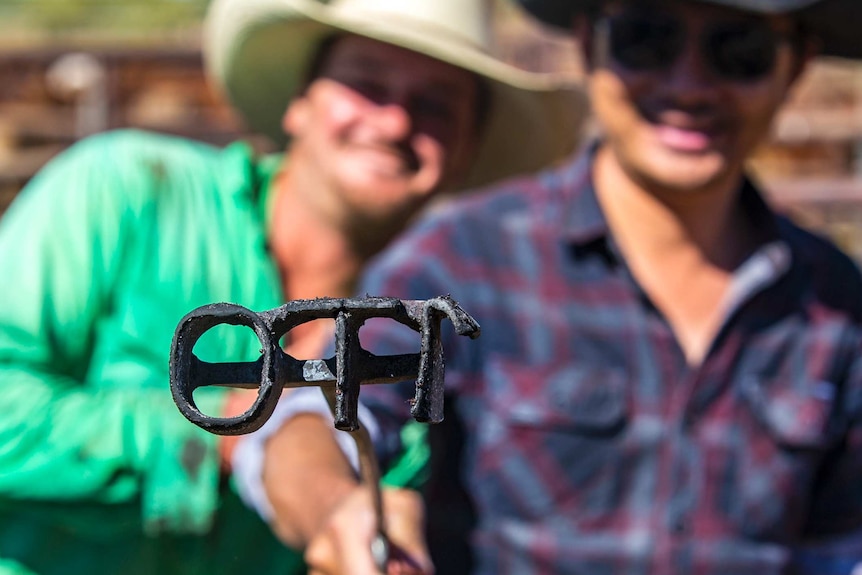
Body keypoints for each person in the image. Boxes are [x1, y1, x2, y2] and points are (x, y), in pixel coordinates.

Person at [243, 0, 862, 573]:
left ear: (796, 64)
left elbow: (837, 548)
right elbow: (314, 412)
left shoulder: (837, 304)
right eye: (647, 39)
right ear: (590, 42)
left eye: (740, 50)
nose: (688, 83)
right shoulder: (464, 261)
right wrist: (336, 508)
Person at [0, 0, 584, 572]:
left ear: (466, 149)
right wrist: (221, 435)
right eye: (367, 84)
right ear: (299, 103)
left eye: (434, 105)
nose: (394, 121)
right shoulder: (126, 194)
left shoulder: (448, 335)